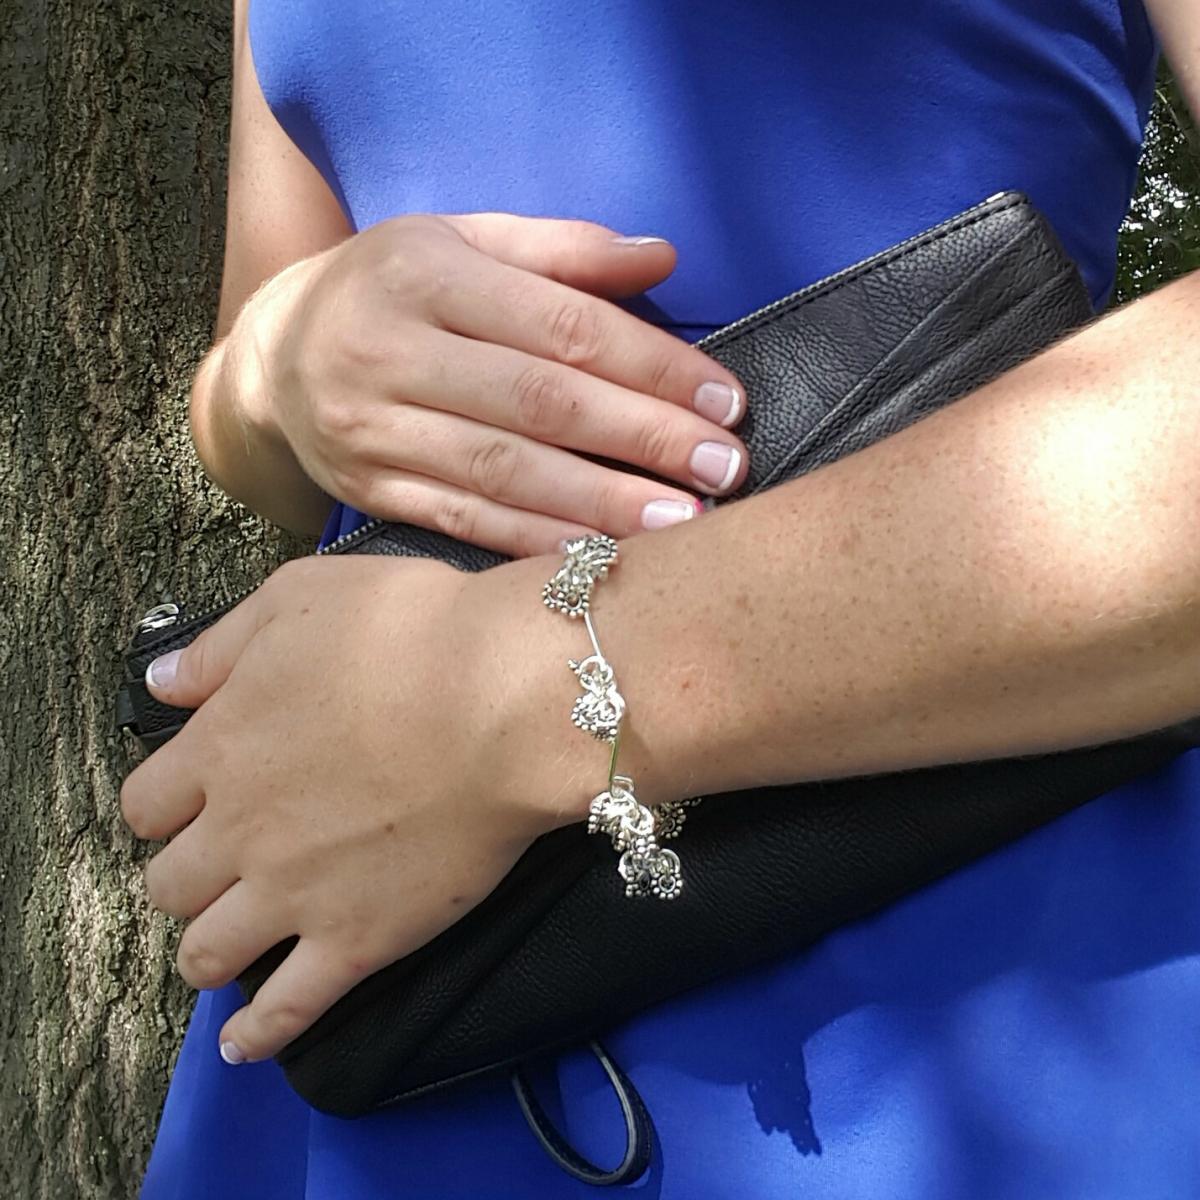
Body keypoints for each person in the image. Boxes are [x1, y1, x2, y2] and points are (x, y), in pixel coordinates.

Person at [128, 1, 1200, 1196]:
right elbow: (261, 442)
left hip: (951, 931)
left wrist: (525, 691)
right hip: (409, 939)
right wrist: (273, 366)